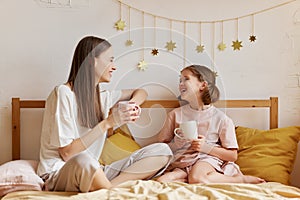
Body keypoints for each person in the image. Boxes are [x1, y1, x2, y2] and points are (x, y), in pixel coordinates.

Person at [37, 36, 172, 192]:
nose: (114, 67)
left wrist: (132, 104)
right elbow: (67, 153)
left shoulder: (102, 97)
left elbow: (141, 92)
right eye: (110, 60)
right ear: (91, 61)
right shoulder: (63, 93)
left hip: (96, 171)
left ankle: (109, 188)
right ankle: (107, 189)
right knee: (85, 161)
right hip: (61, 172)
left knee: (163, 151)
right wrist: (108, 123)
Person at [156, 64, 265, 184]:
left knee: (196, 177)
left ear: (203, 85)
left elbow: (232, 156)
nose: (180, 83)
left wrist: (205, 148)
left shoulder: (221, 119)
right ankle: (190, 177)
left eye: (186, 79)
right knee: (162, 180)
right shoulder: (175, 114)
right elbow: (161, 146)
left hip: (206, 159)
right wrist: (176, 144)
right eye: (180, 80)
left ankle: (240, 179)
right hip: (183, 161)